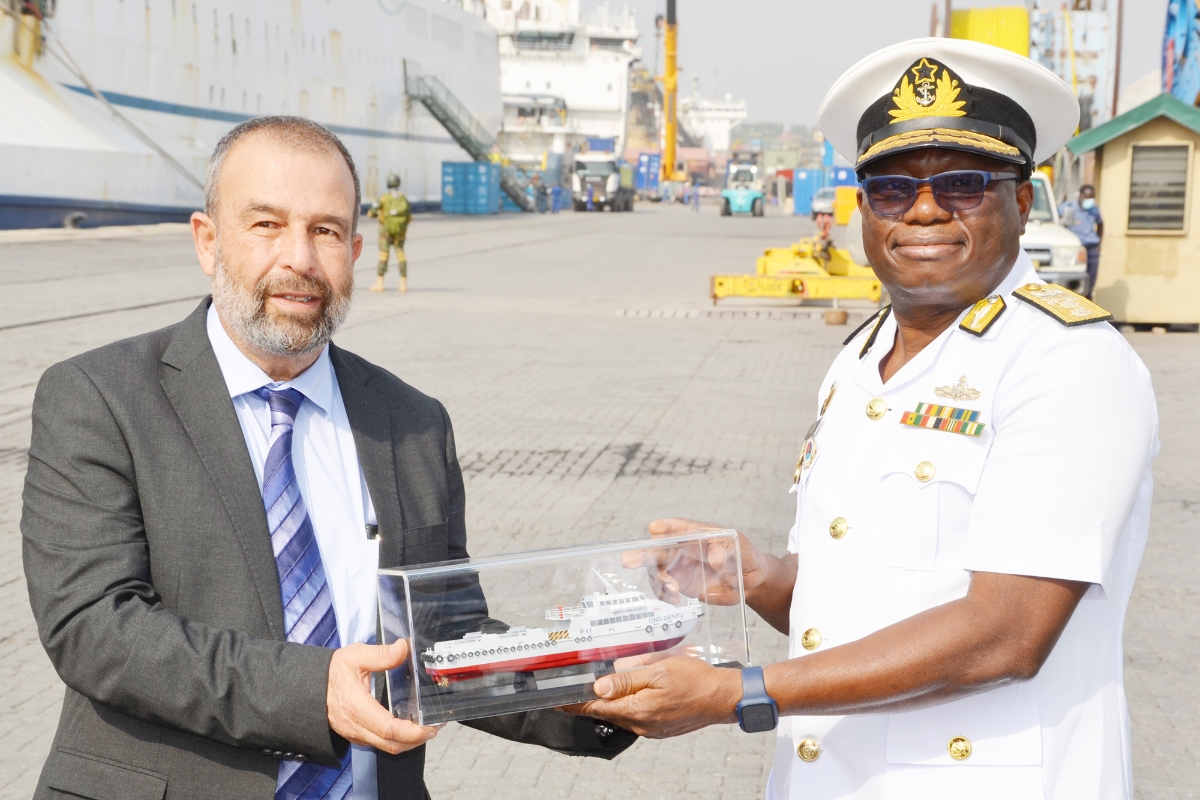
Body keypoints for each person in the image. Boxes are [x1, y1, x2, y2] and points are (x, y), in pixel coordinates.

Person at [574, 38, 1158, 800]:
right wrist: (764, 578)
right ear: (862, 208)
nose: (922, 210)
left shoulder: (1066, 359)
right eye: (890, 189)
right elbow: (858, 601)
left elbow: (1008, 633)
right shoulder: (862, 358)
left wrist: (739, 691)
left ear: (1020, 199)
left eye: (962, 184)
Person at [21, 116, 633, 800]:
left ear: (357, 248)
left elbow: (443, 642)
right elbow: (96, 626)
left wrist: (603, 688)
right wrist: (317, 693)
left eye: (326, 231)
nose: (300, 260)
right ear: (207, 240)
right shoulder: (100, 398)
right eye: (266, 225)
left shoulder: (412, 423)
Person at [367, 174, 410, 294]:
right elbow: (408, 216)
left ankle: (380, 283)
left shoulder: (384, 198)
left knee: (383, 255)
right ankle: (403, 284)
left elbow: (371, 213)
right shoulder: (403, 198)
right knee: (401, 254)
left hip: (385, 232)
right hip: (400, 232)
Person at [1059, 184, 1104, 298]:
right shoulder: (1068, 208)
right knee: (1075, 286)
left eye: (1092, 198)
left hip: (1092, 249)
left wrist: (1099, 243)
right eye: (1088, 198)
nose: (1090, 201)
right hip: (1077, 251)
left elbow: (1100, 224)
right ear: (1081, 196)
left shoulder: (1094, 210)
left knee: (1090, 284)